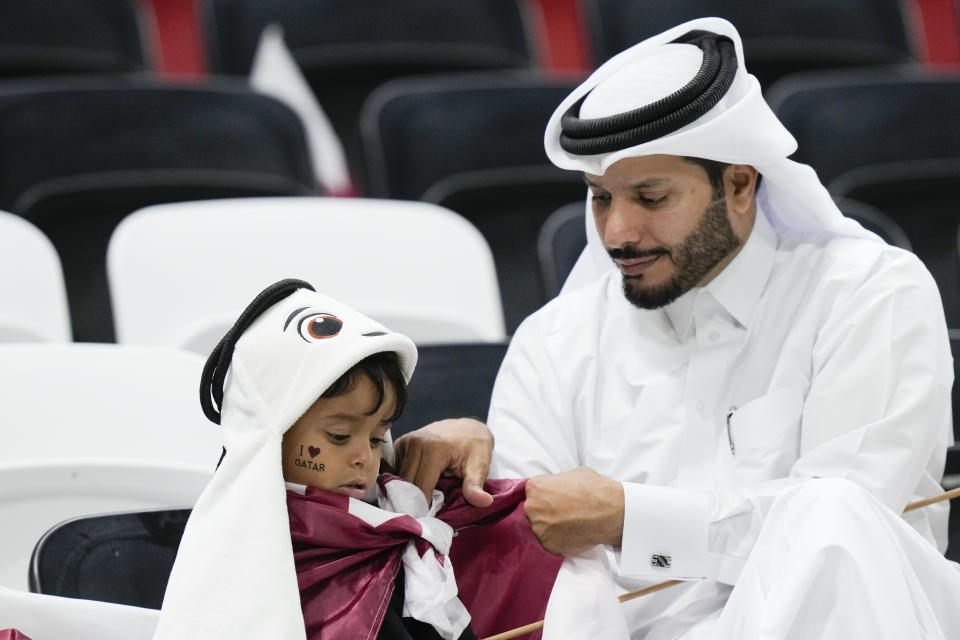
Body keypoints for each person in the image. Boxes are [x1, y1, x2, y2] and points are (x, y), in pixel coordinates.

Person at [395, 17, 960, 639]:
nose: (617, 234)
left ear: (740, 183)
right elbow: (533, 553)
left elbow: (848, 533)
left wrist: (632, 519)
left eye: (652, 198)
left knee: (830, 512)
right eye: (600, 198)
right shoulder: (556, 342)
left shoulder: (866, 293)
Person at [153, 279, 557, 640]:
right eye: (339, 436)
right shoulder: (235, 572)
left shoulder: (403, 519)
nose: (367, 458)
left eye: (379, 436)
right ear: (270, 433)